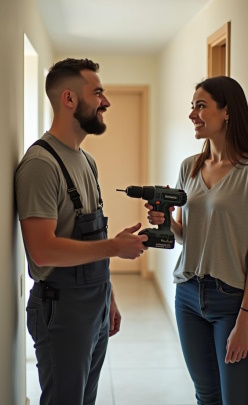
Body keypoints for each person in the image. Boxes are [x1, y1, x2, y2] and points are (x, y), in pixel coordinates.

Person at [15, 58, 148, 405]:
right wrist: (114, 249)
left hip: (95, 304)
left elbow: (86, 235)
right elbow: (43, 250)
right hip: (61, 310)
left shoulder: (87, 161)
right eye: (98, 93)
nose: (106, 102)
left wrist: (109, 294)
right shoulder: (41, 166)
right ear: (69, 99)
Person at [146, 76, 248, 404]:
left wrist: (245, 318)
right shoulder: (190, 167)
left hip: (231, 302)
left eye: (201, 106)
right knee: (206, 395)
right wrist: (166, 223)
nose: (192, 114)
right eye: (192, 107)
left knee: (235, 400)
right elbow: (190, 237)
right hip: (187, 295)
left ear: (227, 112)